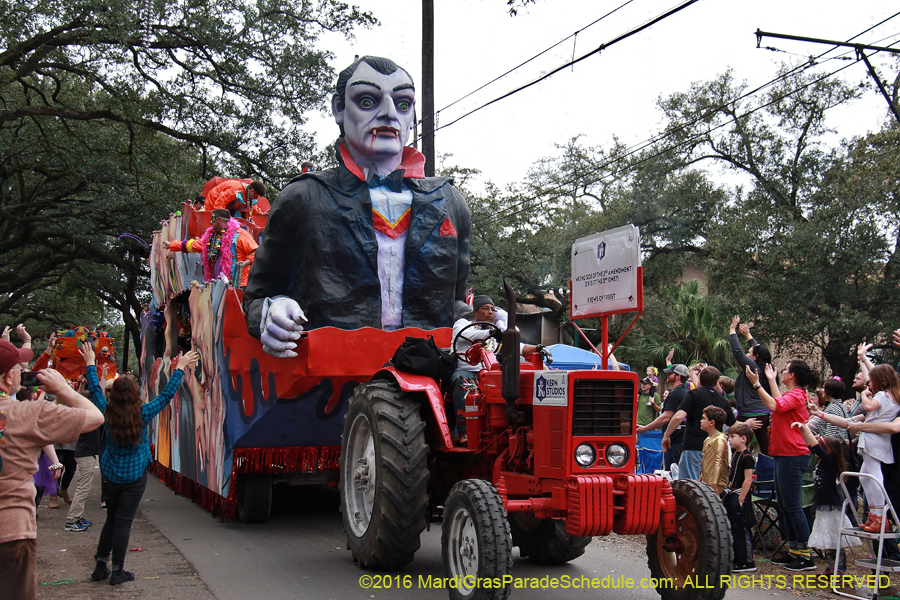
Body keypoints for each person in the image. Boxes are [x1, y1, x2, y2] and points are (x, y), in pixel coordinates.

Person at [243, 55, 471, 357]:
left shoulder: (449, 201)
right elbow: (257, 297)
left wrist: (475, 321)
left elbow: (453, 303)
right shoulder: (304, 198)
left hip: (424, 376)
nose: (389, 114)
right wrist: (272, 311)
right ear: (339, 108)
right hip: (326, 379)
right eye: (367, 101)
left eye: (403, 104)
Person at [80, 343, 199, 585]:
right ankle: (118, 570)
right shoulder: (143, 413)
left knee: (112, 519)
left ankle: (101, 565)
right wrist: (181, 368)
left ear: (113, 395)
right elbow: (166, 396)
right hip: (134, 477)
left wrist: (90, 363)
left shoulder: (106, 411)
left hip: (111, 476)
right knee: (124, 521)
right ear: (135, 395)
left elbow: (94, 389)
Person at [0, 339, 104, 600]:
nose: (23, 372)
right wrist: (64, 390)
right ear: (7, 378)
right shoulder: (27, 414)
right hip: (10, 532)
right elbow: (95, 417)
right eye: (19, 368)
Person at [809, 363, 900, 533]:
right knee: (866, 478)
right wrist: (819, 413)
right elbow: (847, 422)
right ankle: (874, 513)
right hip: (871, 442)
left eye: (870, 382)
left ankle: (880, 515)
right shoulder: (886, 399)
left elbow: (868, 406)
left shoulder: (881, 396)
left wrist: (864, 395)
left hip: (875, 442)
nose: (868, 385)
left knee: (873, 475)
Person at [746, 360, 816, 571]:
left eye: (785, 370)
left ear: (792, 375)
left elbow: (774, 405)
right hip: (784, 454)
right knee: (785, 504)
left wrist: (757, 384)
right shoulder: (794, 395)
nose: (782, 372)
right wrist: (770, 380)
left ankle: (805, 553)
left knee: (792, 504)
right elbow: (779, 401)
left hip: (792, 454)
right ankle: (794, 549)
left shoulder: (796, 395)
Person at [449, 296, 542, 442]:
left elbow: (518, 345)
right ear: (475, 313)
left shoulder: (496, 330)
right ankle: (464, 431)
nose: (490, 312)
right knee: (460, 381)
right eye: (485, 309)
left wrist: (539, 348)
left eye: (492, 309)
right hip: (468, 371)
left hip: (490, 372)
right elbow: (464, 336)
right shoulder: (464, 324)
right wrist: (492, 332)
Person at [791, 422, 860, 576]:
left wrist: (804, 428)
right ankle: (831, 566)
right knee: (828, 539)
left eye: (822, 447)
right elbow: (811, 446)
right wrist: (802, 432)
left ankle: (841, 570)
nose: (816, 450)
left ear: (828, 450)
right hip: (823, 505)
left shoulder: (830, 462)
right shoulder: (822, 462)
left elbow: (814, 446)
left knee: (835, 539)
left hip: (832, 507)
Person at [662, 366, 735, 481]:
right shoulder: (722, 401)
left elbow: (678, 417)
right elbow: (732, 423)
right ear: (716, 382)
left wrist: (667, 435)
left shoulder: (694, 395)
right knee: (710, 484)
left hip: (694, 445)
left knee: (689, 485)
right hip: (715, 449)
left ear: (700, 380)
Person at [163, 208, 258, 287]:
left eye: (212, 220)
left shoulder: (240, 234)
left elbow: (256, 252)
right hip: (219, 286)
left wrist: (245, 263)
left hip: (240, 285)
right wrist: (172, 245)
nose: (210, 223)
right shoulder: (212, 237)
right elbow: (195, 245)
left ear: (219, 220)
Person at [728, 317, 774, 455]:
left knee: (733, 444)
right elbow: (760, 350)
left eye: (750, 353)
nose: (747, 355)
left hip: (749, 413)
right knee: (765, 448)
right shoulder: (764, 367)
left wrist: (732, 330)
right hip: (762, 413)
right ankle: (768, 474)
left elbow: (738, 352)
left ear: (755, 357)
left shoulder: (752, 368)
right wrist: (748, 336)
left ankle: (735, 470)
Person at [637, 360, 690, 470]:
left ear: (678, 376)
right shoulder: (684, 392)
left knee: (672, 471)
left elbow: (666, 417)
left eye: (670, 373)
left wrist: (645, 428)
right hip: (679, 438)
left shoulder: (676, 394)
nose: (667, 375)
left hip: (675, 439)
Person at [64, 389, 102, 532]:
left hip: (87, 453)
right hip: (85, 454)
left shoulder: (84, 415)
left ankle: (77, 517)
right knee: (83, 487)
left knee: (84, 485)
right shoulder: (86, 416)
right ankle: (72, 519)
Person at [723, 422, 756, 573]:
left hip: (740, 495)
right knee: (733, 527)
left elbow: (748, 479)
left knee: (742, 527)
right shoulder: (735, 454)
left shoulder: (747, 456)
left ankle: (747, 560)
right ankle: (737, 557)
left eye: (733, 436)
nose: (730, 439)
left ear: (743, 438)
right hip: (732, 493)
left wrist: (742, 498)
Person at [699, 405, 730, 495]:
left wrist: (715, 483)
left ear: (712, 423)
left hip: (716, 484)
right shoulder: (708, 439)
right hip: (707, 482)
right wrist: (701, 478)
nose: (701, 421)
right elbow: (705, 461)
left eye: (703, 418)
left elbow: (719, 461)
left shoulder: (719, 439)